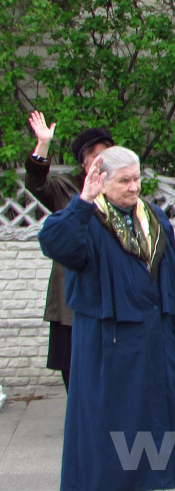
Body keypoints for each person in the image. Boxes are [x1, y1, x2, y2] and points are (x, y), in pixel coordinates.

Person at [38, 146, 175, 491]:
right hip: (106, 339)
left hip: (149, 338)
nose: (133, 187)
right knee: (103, 423)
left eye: (137, 179)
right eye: (124, 180)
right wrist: (82, 202)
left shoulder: (152, 217)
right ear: (101, 181)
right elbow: (52, 241)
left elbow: (171, 275)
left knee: (141, 420)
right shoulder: (88, 219)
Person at [25, 113, 114, 391]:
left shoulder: (122, 189)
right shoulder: (67, 189)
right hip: (71, 300)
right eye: (98, 157)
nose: (104, 164)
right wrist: (42, 144)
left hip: (111, 295)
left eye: (110, 156)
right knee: (76, 378)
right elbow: (37, 184)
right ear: (85, 161)